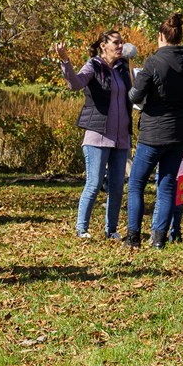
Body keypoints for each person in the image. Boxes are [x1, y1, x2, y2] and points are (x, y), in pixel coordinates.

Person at [54, 31, 137, 239]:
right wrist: (65, 60)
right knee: (93, 184)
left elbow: (134, 96)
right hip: (97, 136)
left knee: (117, 186)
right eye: (116, 43)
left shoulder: (123, 69)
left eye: (121, 43)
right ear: (103, 46)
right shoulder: (94, 65)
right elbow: (75, 83)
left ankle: (111, 230)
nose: (120, 47)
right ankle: (82, 229)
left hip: (121, 138)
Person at [128, 13, 183, 249]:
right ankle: (159, 239)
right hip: (179, 130)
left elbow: (136, 96)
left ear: (161, 36)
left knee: (137, 183)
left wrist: (134, 92)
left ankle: (133, 237)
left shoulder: (153, 62)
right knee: (167, 184)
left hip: (154, 130)